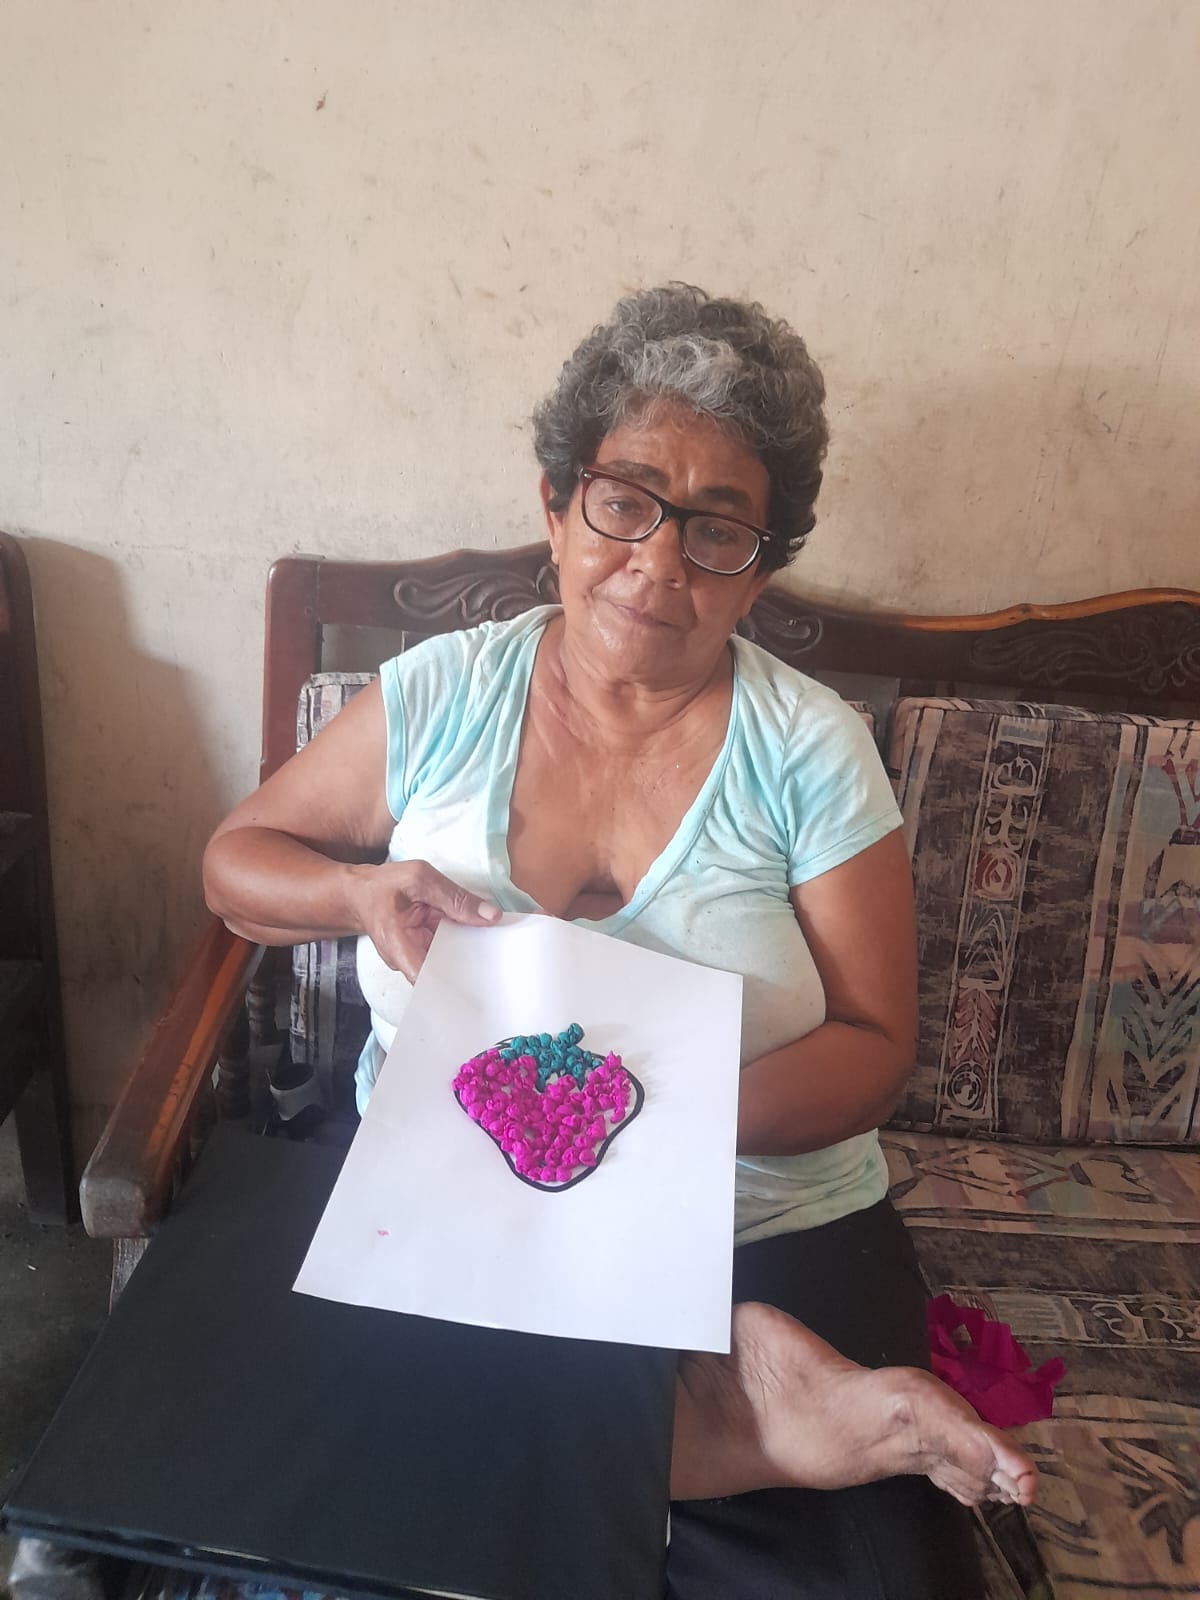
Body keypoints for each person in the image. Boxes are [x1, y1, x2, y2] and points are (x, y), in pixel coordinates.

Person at [202, 284, 1036, 1599]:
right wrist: (359, 896)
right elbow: (236, 865)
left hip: (758, 1217)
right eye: (625, 501)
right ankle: (714, 1421)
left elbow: (876, 1046)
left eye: (717, 530)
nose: (658, 564)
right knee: (364, 1519)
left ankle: (717, 1385)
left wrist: (658, 1129)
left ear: (762, 567)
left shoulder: (809, 750)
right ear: (557, 504)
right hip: (460, 1188)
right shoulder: (446, 692)